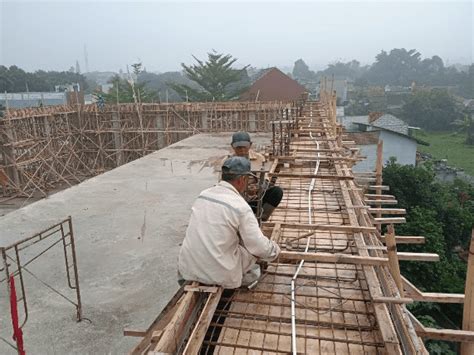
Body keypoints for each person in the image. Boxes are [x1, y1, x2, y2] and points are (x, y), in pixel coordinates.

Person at [178, 156, 280, 289]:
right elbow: (259, 247)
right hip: (221, 276)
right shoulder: (240, 207)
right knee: (253, 250)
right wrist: (275, 251)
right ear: (242, 179)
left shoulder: (203, 195)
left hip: (186, 270)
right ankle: (243, 277)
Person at [229, 131, 283, 221]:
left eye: (244, 147)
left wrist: (258, 188)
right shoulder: (227, 161)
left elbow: (265, 180)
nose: (242, 150)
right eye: (239, 147)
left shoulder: (259, 158)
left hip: (255, 199)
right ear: (233, 146)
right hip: (236, 200)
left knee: (277, 192)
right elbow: (223, 184)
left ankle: (262, 216)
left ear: (250, 145)